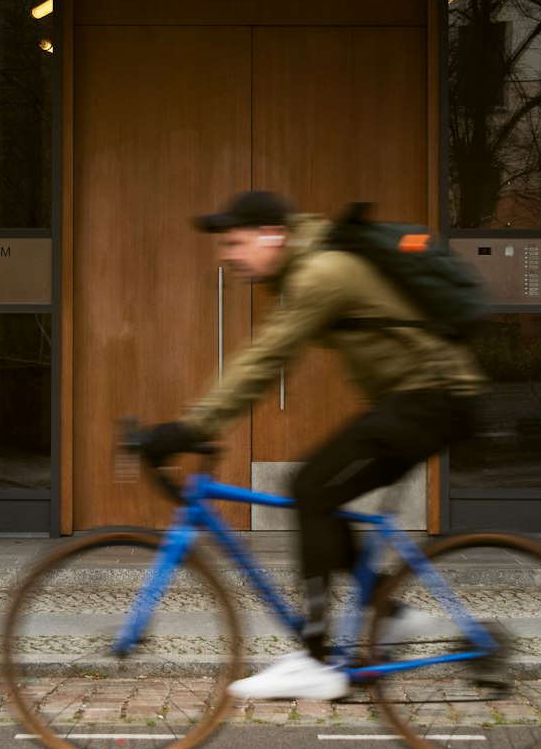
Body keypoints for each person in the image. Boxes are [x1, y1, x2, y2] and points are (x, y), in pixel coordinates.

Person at [140, 191, 485, 701]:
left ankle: (318, 658)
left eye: (234, 242)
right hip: (418, 399)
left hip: (434, 399)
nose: (226, 255)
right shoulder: (312, 267)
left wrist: (192, 427)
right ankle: (389, 614)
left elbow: (266, 357)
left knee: (312, 487)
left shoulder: (320, 273)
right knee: (316, 491)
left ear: (272, 235)